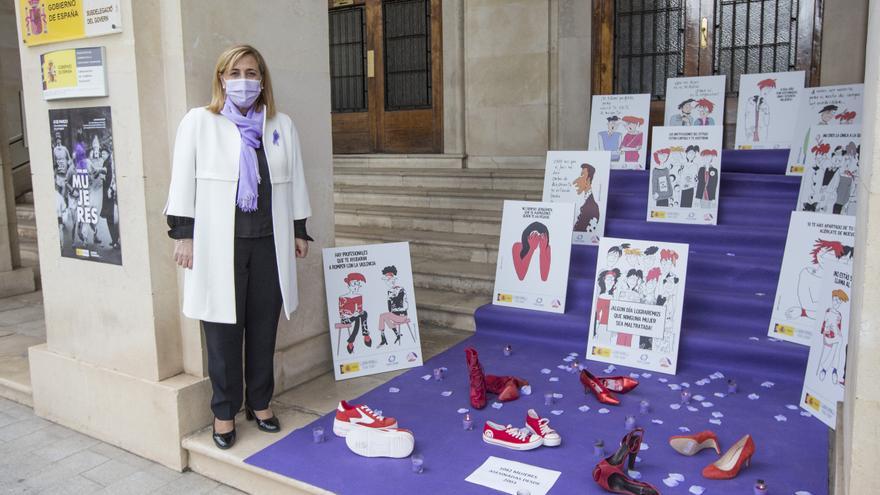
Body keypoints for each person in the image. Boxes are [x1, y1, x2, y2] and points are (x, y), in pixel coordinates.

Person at [164, 45, 313, 450]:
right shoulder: (200, 123)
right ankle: (224, 410)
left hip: (268, 243)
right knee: (222, 333)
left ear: (262, 80)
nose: (244, 80)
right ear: (221, 79)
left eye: (251, 72)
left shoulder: (280, 125)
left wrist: (299, 230)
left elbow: (294, 180)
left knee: (263, 328)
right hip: (219, 247)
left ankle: (260, 402)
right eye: (235, 72)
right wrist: (183, 234)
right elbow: (183, 179)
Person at [572, 163, 600, 234]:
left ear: (588, 179)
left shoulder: (593, 207)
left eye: (582, 175)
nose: (576, 181)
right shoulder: (586, 203)